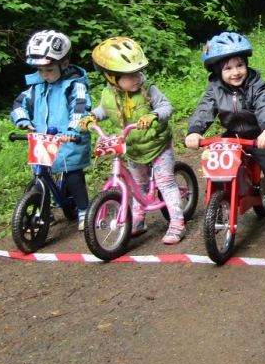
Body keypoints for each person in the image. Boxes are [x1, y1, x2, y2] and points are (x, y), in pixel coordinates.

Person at [185, 32, 265, 233]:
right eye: (228, 68)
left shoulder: (256, 85)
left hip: (258, 135)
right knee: (216, 169)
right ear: (217, 71)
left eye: (240, 65)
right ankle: (219, 204)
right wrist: (195, 131)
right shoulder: (214, 90)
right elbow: (204, 109)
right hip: (232, 135)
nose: (236, 72)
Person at [79, 37, 186, 244]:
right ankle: (137, 219)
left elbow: (166, 106)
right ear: (111, 78)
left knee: (165, 182)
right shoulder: (108, 94)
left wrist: (154, 115)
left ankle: (177, 222)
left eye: (137, 73)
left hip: (157, 144)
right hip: (133, 146)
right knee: (138, 184)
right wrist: (91, 116)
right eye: (129, 76)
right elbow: (104, 109)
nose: (136, 78)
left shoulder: (148, 89)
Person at [11, 30, 92, 229]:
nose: (44, 75)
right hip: (44, 140)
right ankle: (44, 211)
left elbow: (80, 108)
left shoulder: (74, 86)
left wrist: (73, 131)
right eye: (40, 70)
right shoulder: (36, 87)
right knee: (39, 177)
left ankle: (84, 210)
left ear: (64, 64)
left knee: (73, 177)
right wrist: (22, 119)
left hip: (69, 141)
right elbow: (19, 104)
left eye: (48, 70)